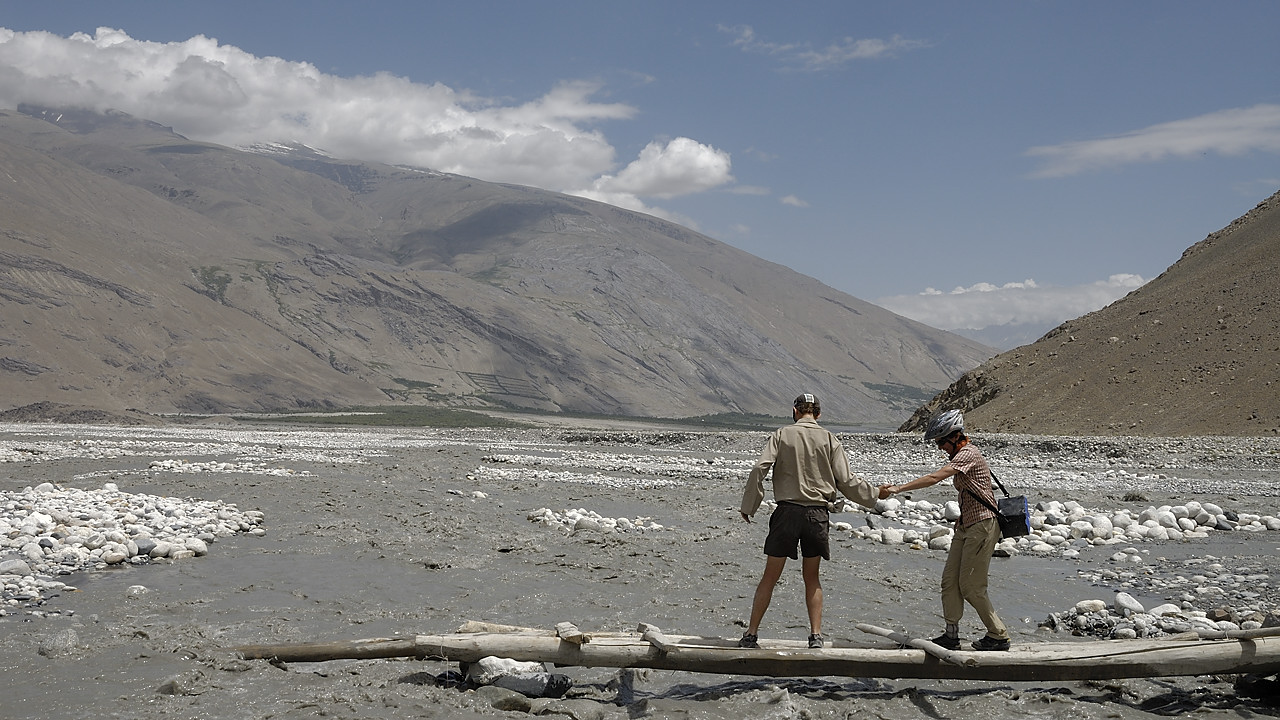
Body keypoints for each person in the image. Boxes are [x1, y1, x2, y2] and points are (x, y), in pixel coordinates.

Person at [738, 393, 878, 649]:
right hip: (817, 514)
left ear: (795, 411)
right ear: (818, 414)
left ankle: (751, 634)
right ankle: (815, 636)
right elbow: (846, 480)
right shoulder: (829, 438)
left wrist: (750, 505)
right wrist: (875, 495)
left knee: (769, 577)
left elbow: (760, 468)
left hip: (787, 513)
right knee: (812, 577)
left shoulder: (781, 435)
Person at [878, 409, 1011, 651]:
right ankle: (951, 635)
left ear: (954, 436)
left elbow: (934, 478)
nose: (939, 447)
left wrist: (897, 489)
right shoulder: (960, 454)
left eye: (941, 442)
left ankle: (998, 634)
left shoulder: (968, 454)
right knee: (950, 581)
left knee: (971, 586)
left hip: (983, 525)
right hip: (966, 525)